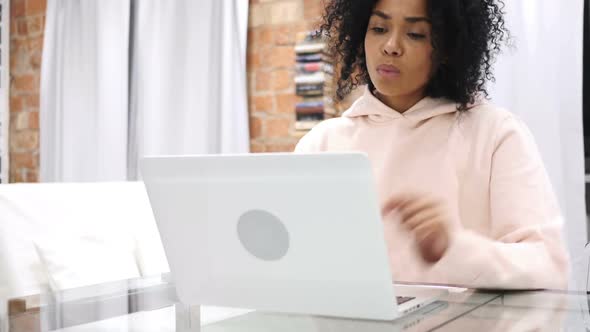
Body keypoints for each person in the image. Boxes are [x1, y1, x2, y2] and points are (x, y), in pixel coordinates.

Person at [295, 0, 569, 289]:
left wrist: (453, 247)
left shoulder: (495, 134)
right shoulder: (322, 143)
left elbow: (546, 264)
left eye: (415, 34)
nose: (390, 46)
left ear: (448, 49)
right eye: (378, 28)